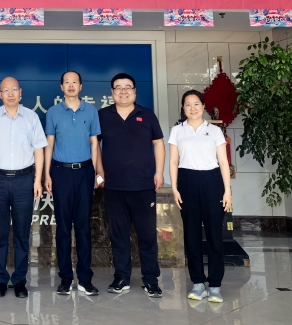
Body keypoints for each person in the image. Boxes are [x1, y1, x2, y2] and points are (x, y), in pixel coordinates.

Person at [0, 77, 47, 299]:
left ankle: (19, 280)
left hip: (24, 180)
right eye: (5, 90)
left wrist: (37, 180)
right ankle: (0, 279)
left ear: (20, 92)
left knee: (22, 234)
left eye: (14, 89)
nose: (10, 93)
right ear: (0, 95)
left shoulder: (31, 117)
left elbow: (39, 150)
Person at [97, 73, 165, 298]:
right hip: (114, 187)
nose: (123, 91)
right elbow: (94, 145)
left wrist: (159, 172)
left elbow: (158, 144)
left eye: (128, 87)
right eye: (118, 87)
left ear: (135, 91)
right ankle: (122, 277)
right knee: (118, 236)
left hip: (143, 186)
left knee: (147, 236)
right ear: (112, 92)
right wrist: (99, 172)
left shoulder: (147, 115)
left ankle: (151, 280)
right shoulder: (102, 115)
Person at [169, 90, 231, 304]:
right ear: (183, 108)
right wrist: (175, 188)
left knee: (214, 235)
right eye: (188, 104)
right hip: (187, 182)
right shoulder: (177, 131)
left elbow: (223, 162)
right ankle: (197, 283)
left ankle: (214, 285)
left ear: (204, 107)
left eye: (196, 104)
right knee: (192, 234)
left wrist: (227, 190)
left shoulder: (214, 131)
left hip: (212, 182)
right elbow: (173, 161)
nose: (192, 108)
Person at [44, 71, 102, 296]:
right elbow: (49, 144)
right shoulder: (53, 112)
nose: (70, 85)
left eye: (74, 82)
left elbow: (94, 143)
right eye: (66, 82)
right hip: (61, 173)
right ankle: (66, 278)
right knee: (63, 228)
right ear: (61, 87)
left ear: (81, 86)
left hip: (85, 172)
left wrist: (95, 172)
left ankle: (85, 279)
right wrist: (47, 174)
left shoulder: (91, 111)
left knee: (84, 227)